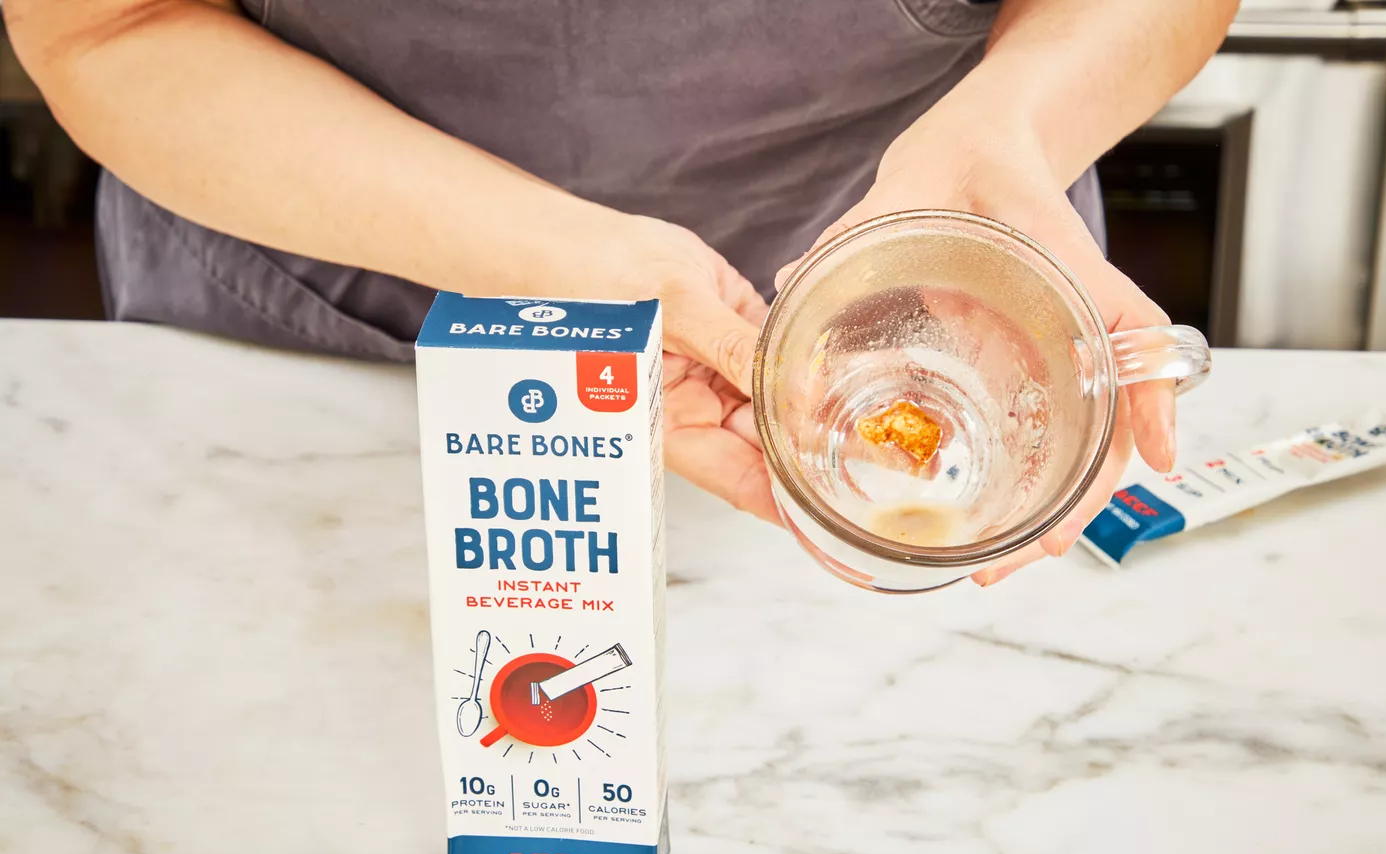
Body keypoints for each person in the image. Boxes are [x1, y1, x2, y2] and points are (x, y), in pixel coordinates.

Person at [6, 0, 1236, 584]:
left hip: (938, 309)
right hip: (318, 326)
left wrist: (1007, 129)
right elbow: (109, 26)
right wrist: (552, 258)